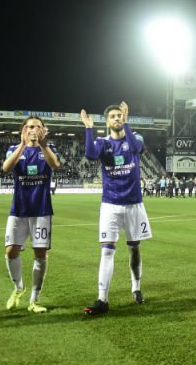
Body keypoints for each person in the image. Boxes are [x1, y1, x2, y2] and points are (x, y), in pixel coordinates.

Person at [81, 102, 151, 315]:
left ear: (125, 117)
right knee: (107, 250)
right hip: (110, 203)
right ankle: (103, 299)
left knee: (134, 247)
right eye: (113, 116)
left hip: (133, 204)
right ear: (107, 121)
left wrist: (128, 123)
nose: (117, 118)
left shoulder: (135, 137)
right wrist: (88, 128)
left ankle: (136, 287)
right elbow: (91, 155)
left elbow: (137, 149)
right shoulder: (102, 143)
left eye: (120, 115)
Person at [2, 116, 61, 313]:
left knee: (40, 254)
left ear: (43, 130)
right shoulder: (14, 150)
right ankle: (18, 288)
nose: (33, 130)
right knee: (11, 251)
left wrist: (43, 145)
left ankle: (34, 300)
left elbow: (55, 165)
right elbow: (6, 168)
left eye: (37, 126)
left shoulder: (48, 149)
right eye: (29, 127)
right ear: (23, 131)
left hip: (41, 211)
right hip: (18, 210)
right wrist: (21, 145)